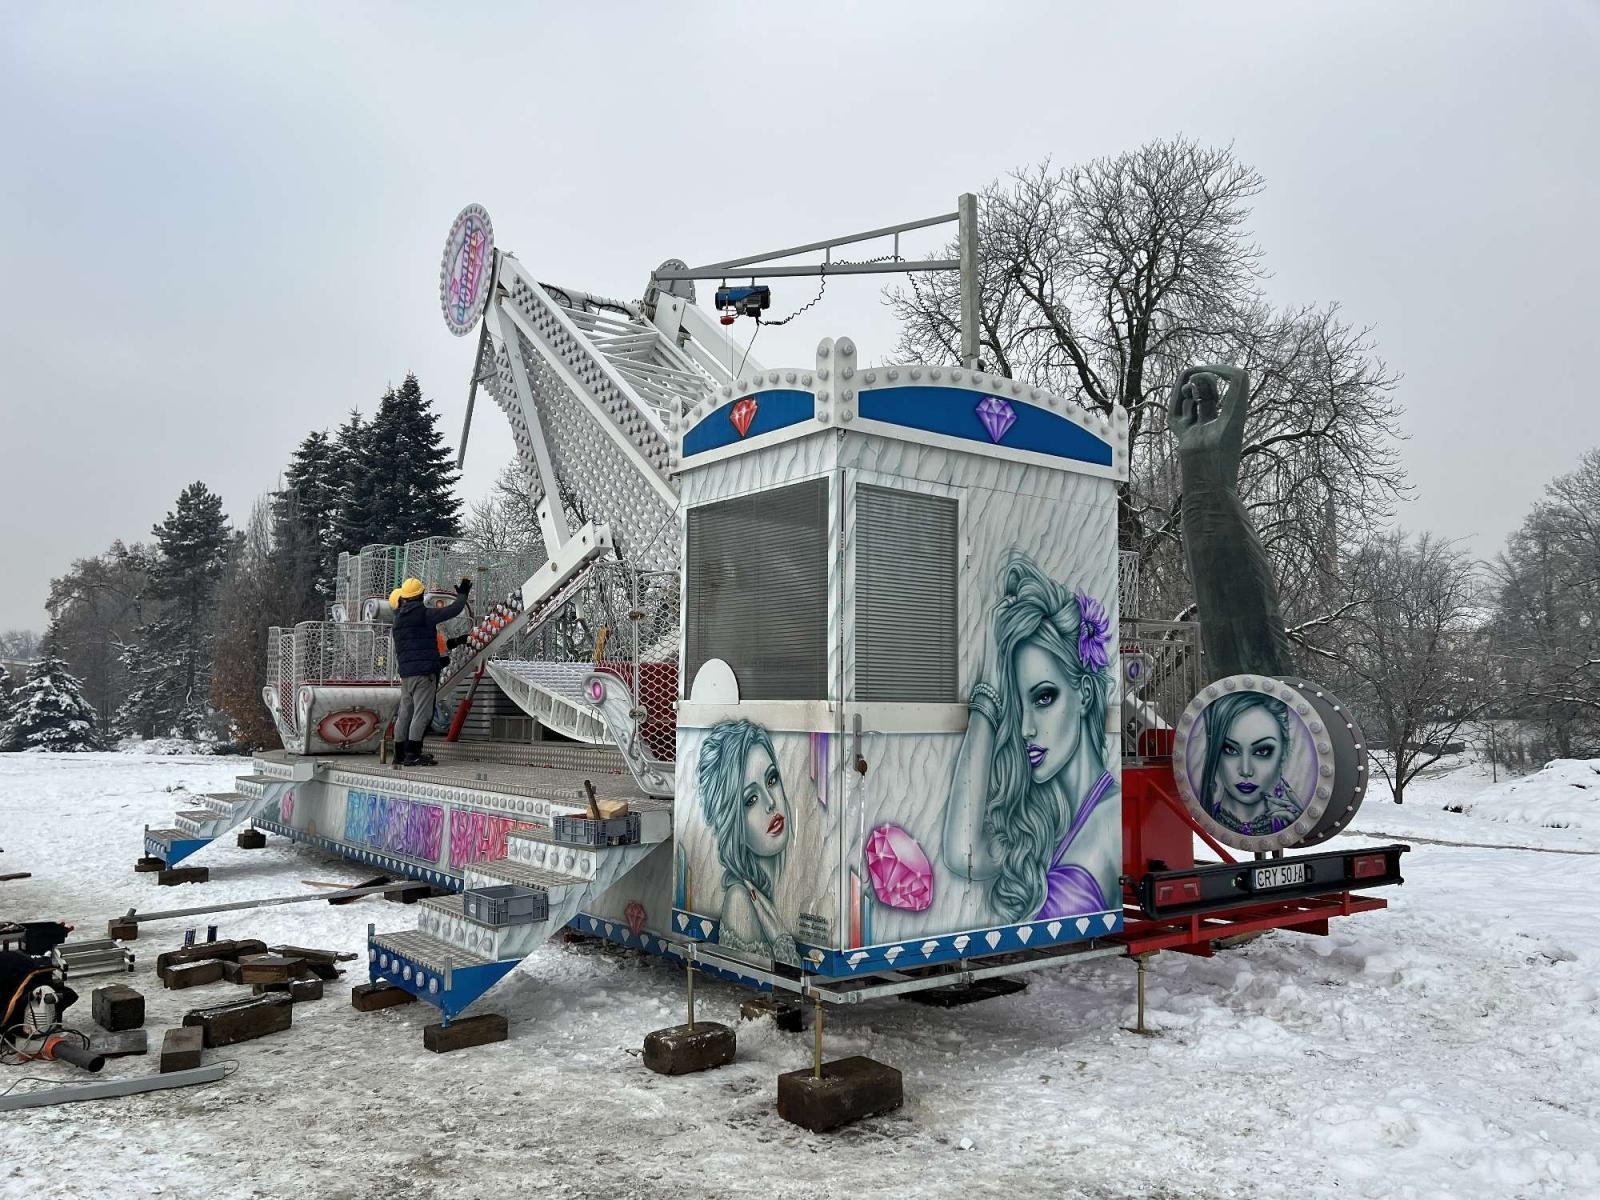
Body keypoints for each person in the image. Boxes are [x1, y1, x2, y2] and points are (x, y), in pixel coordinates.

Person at [942, 552, 1120, 923]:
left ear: (1085, 694)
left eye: (1043, 698)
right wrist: (992, 689)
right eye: (1018, 705)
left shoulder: (1106, 820)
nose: (1025, 729)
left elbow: (964, 855)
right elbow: (963, 854)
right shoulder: (1056, 811)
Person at [695, 719, 800, 965]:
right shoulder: (740, 901)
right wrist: (782, 941)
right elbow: (768, 984)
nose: (770, 803)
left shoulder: (771, 888)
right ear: (731, 820)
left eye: (772, 780)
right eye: (750, 799)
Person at [390, 575, 470, 767]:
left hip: (406, 674)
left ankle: (399, 753)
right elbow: (454, 610)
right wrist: (462, 595)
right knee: (422, 714)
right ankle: (413, 754)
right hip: (424, 674)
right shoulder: (425, 615)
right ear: (420, 595)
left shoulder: (398, 620)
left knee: (405, 713)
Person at [1196, 691, 1303, 836]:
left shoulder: (1289, 820)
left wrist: (1299, 826)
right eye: (1230, 750)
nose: (1246, 770)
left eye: (1262, 751)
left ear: (1283, 753)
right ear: (1215, 753)